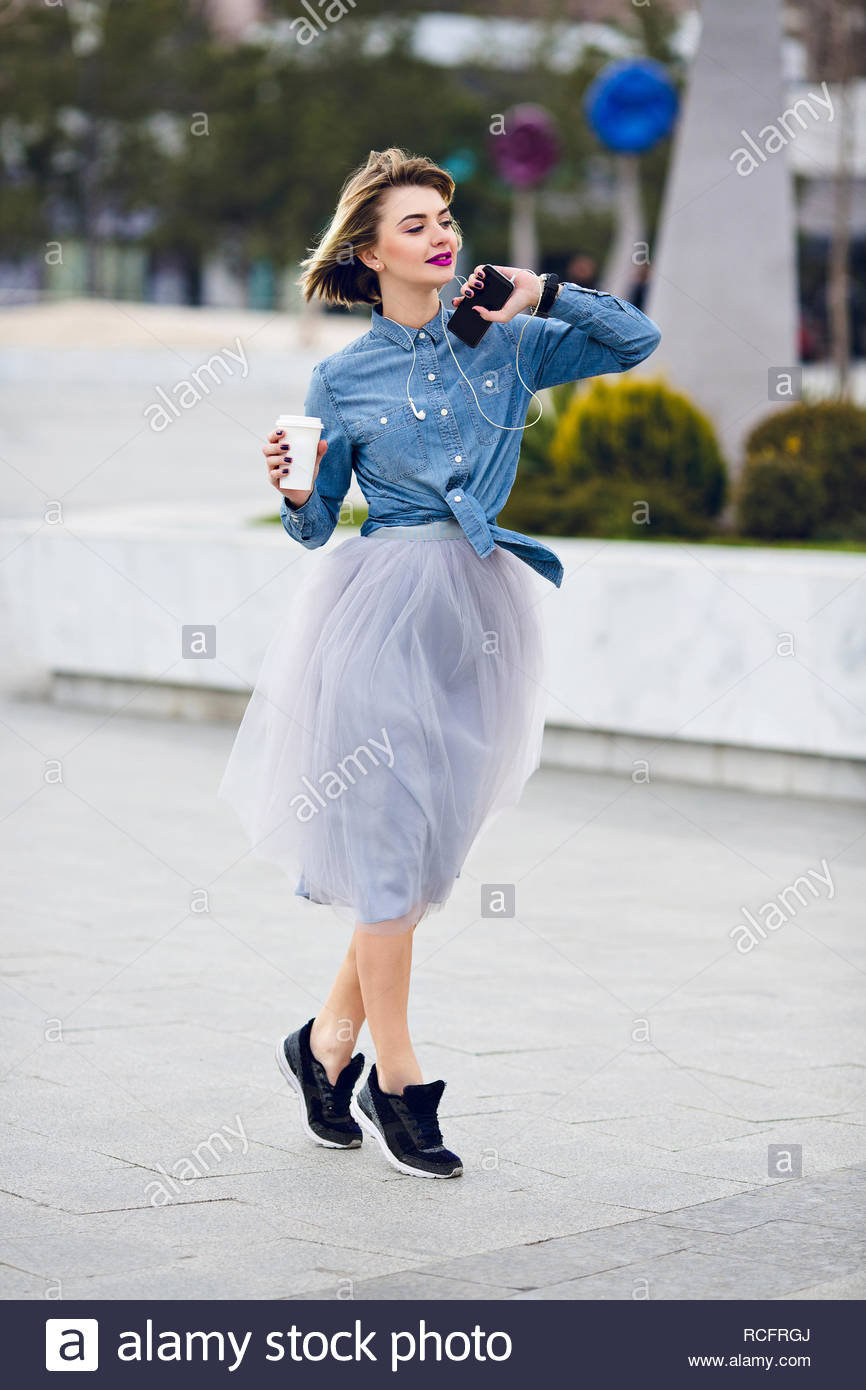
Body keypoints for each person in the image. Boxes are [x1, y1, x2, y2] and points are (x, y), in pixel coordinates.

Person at [217, 147, 661, 1180]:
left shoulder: (508, 345)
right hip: (374, 614)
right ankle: (398, 1080)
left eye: (442, 218)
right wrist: (293, 490)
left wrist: (540, 291)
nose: (439, 236)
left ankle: (322, 1044)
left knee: (416, 861)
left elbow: (633, 340)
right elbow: (313, 528)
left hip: (477, 616)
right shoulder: (341, 374)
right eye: (412, 225)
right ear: (369, 254)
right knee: (382, 844)